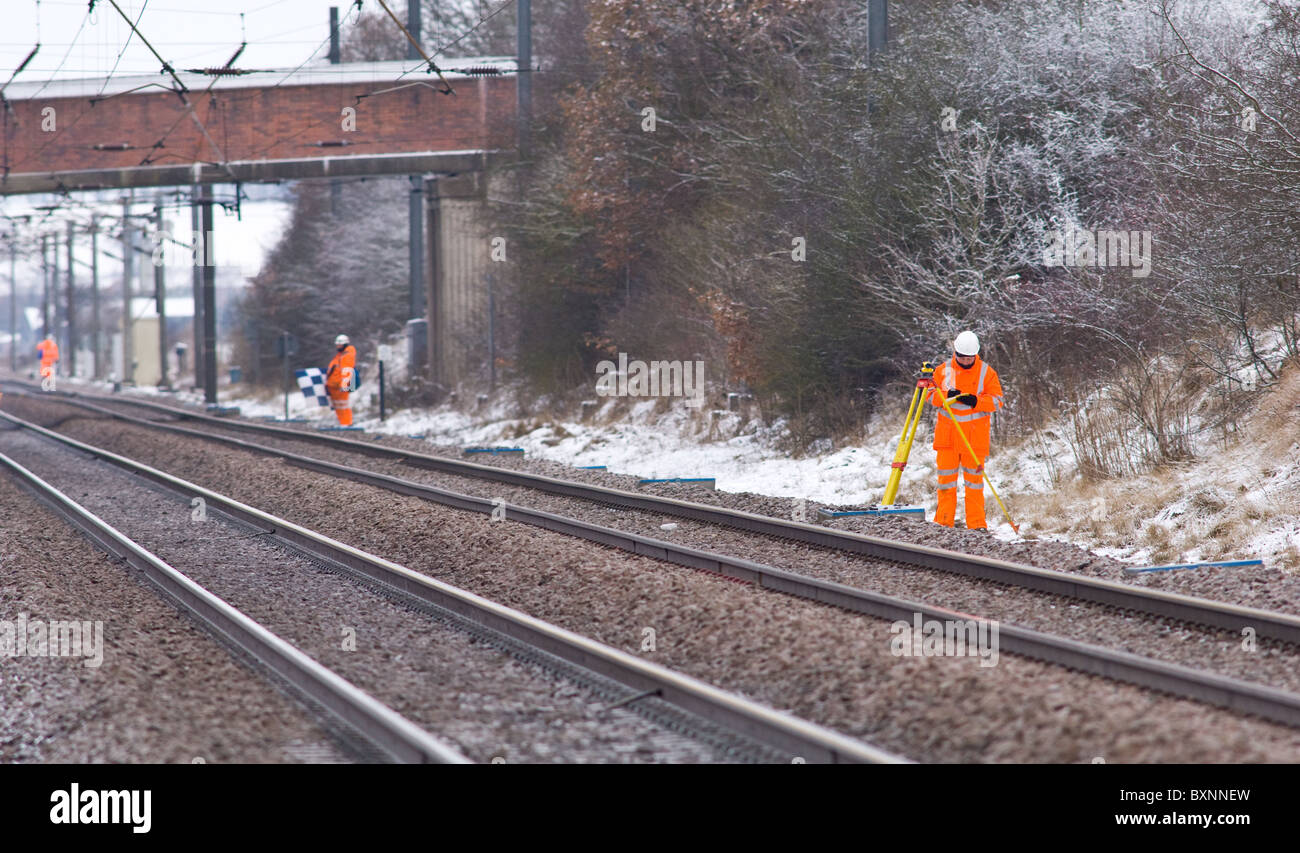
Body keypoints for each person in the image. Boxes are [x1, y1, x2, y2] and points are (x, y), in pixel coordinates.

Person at [928, 330, 1004, 530]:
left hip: (974, 440)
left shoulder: (987, 373)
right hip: (948, 440)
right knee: (946, 484)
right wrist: (946, 395)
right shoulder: (942, 370)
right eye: (963, 356)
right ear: (956, 353)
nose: (966, 360)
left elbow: (997, 401)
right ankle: (943, 522)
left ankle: (977, 525)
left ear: (976, 354)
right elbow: (929, 395)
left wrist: (975, 400)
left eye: (970, 357)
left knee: (974, 485)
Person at [324, 334, 357, 426]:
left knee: (343, 406)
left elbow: (347, 370)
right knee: (338, 406)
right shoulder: (340, 355)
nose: (338, 346)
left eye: (340, 345)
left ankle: (347, 423)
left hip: (340, 386)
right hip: (334, 385)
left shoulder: (347, 355)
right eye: (337, 344)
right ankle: (343, 423)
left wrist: (344, 385)